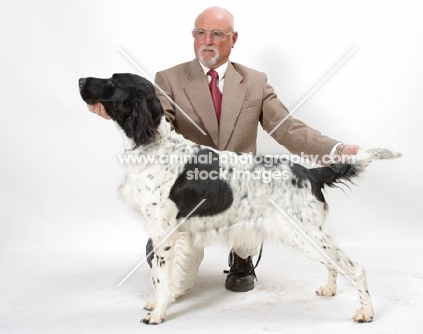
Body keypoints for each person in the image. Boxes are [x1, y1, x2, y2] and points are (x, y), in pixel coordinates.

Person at [87, 6, 360, 293]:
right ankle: (169, 247)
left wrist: (336, 150)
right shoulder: (168, 79)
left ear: (233, 39)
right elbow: (157, 127)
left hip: (245, 192)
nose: (207, 41)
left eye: (217, 34)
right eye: (200, 33)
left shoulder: (255, 81)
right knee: (179, 287)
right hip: (192, 193)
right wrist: (118, 112)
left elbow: (286, 128)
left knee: (261, 208)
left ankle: (243, 257)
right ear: (193, 37)